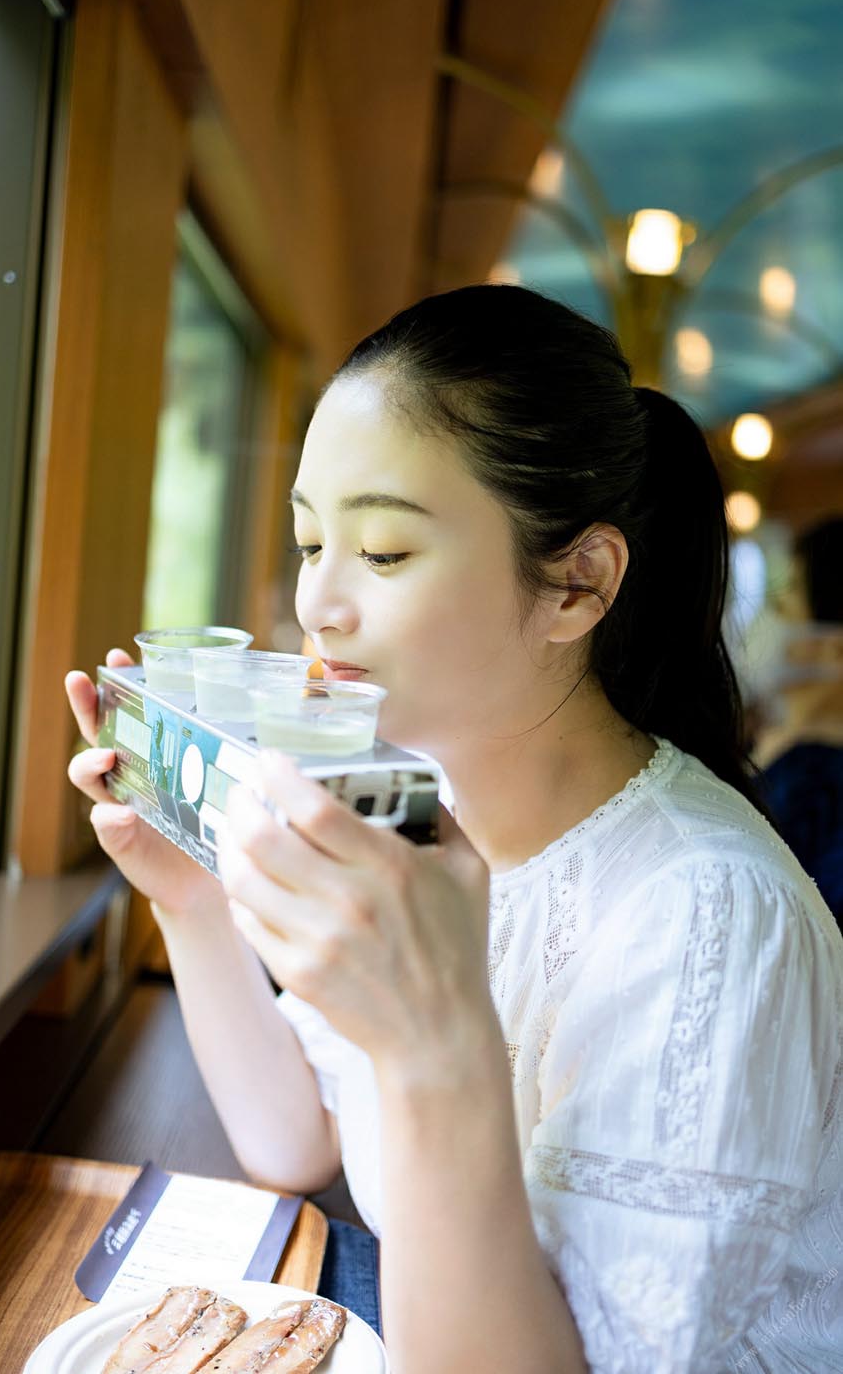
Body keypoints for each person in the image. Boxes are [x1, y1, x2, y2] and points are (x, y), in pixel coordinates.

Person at [66, 285, 842, 1374]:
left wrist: (441, 1046)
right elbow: (296, 1135)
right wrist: (187, 896)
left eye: (382, 551)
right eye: (309, 539)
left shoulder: (706, 911)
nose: (319, 604)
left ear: (578, 584)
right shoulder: (420, 797)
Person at [754, 517, 843, 926]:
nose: (770, 621)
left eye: (786, 601)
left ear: (834, 647)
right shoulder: (784, 743)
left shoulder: (818, 781)